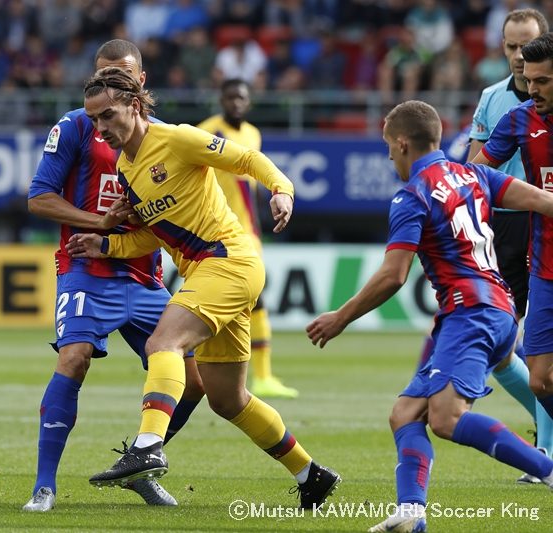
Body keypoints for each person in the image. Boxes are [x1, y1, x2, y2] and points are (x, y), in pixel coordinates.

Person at [67, 67, 340, 510]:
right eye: (94, 120)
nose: (101, 129)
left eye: (108, 116)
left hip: (228, 260)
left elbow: (248, 159)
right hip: (207, 273)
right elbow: (156, 234)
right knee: (228, 400)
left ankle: (148, 447)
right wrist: (105, 244)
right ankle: (311, 474)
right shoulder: (125, 167)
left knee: (163, 342)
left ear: (134, 106)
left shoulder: (177, 138)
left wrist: (282, 190)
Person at [307, 100, 553, 533]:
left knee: (445, 418)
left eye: (387, 146)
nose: (387, 156)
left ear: (402, 143)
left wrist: (341, 317)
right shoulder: (471, 173)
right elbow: (538, 199)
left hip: (471, 313)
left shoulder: (412, 195)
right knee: (405, 414)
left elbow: (393, 275)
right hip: (497, 310)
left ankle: (547, 470)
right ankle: (411, 513)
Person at [22, 39, 204, 513]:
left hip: (145, 275)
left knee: (196, 383)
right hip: (86, 268)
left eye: (117, 77)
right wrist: (97, 223)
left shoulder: (166, 138)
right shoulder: (75, 127)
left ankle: (138, 463)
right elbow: (38, 198)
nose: (106, 88)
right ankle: (44, 487)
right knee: (75, 357)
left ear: (139, 83)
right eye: (100, 76)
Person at [467, 8, 553, 483]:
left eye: (541, 78)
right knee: (526, 366)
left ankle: (545, 454)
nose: (520, 62)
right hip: (527, 246)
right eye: (512, 50)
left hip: (535, 238)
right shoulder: (507, 110)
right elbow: (474, 168)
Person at [195, 79, 298, 400]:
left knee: (256, 300)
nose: (236, 103)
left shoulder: (253, 133)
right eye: (230, 98)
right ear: (221, 100)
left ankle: (264, 376)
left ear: (249, 101)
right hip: (215, 231)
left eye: (241, 98)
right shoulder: (206, 131)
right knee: (221, 302)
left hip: (247, 232)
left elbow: (250, 185)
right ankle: (244, 375)